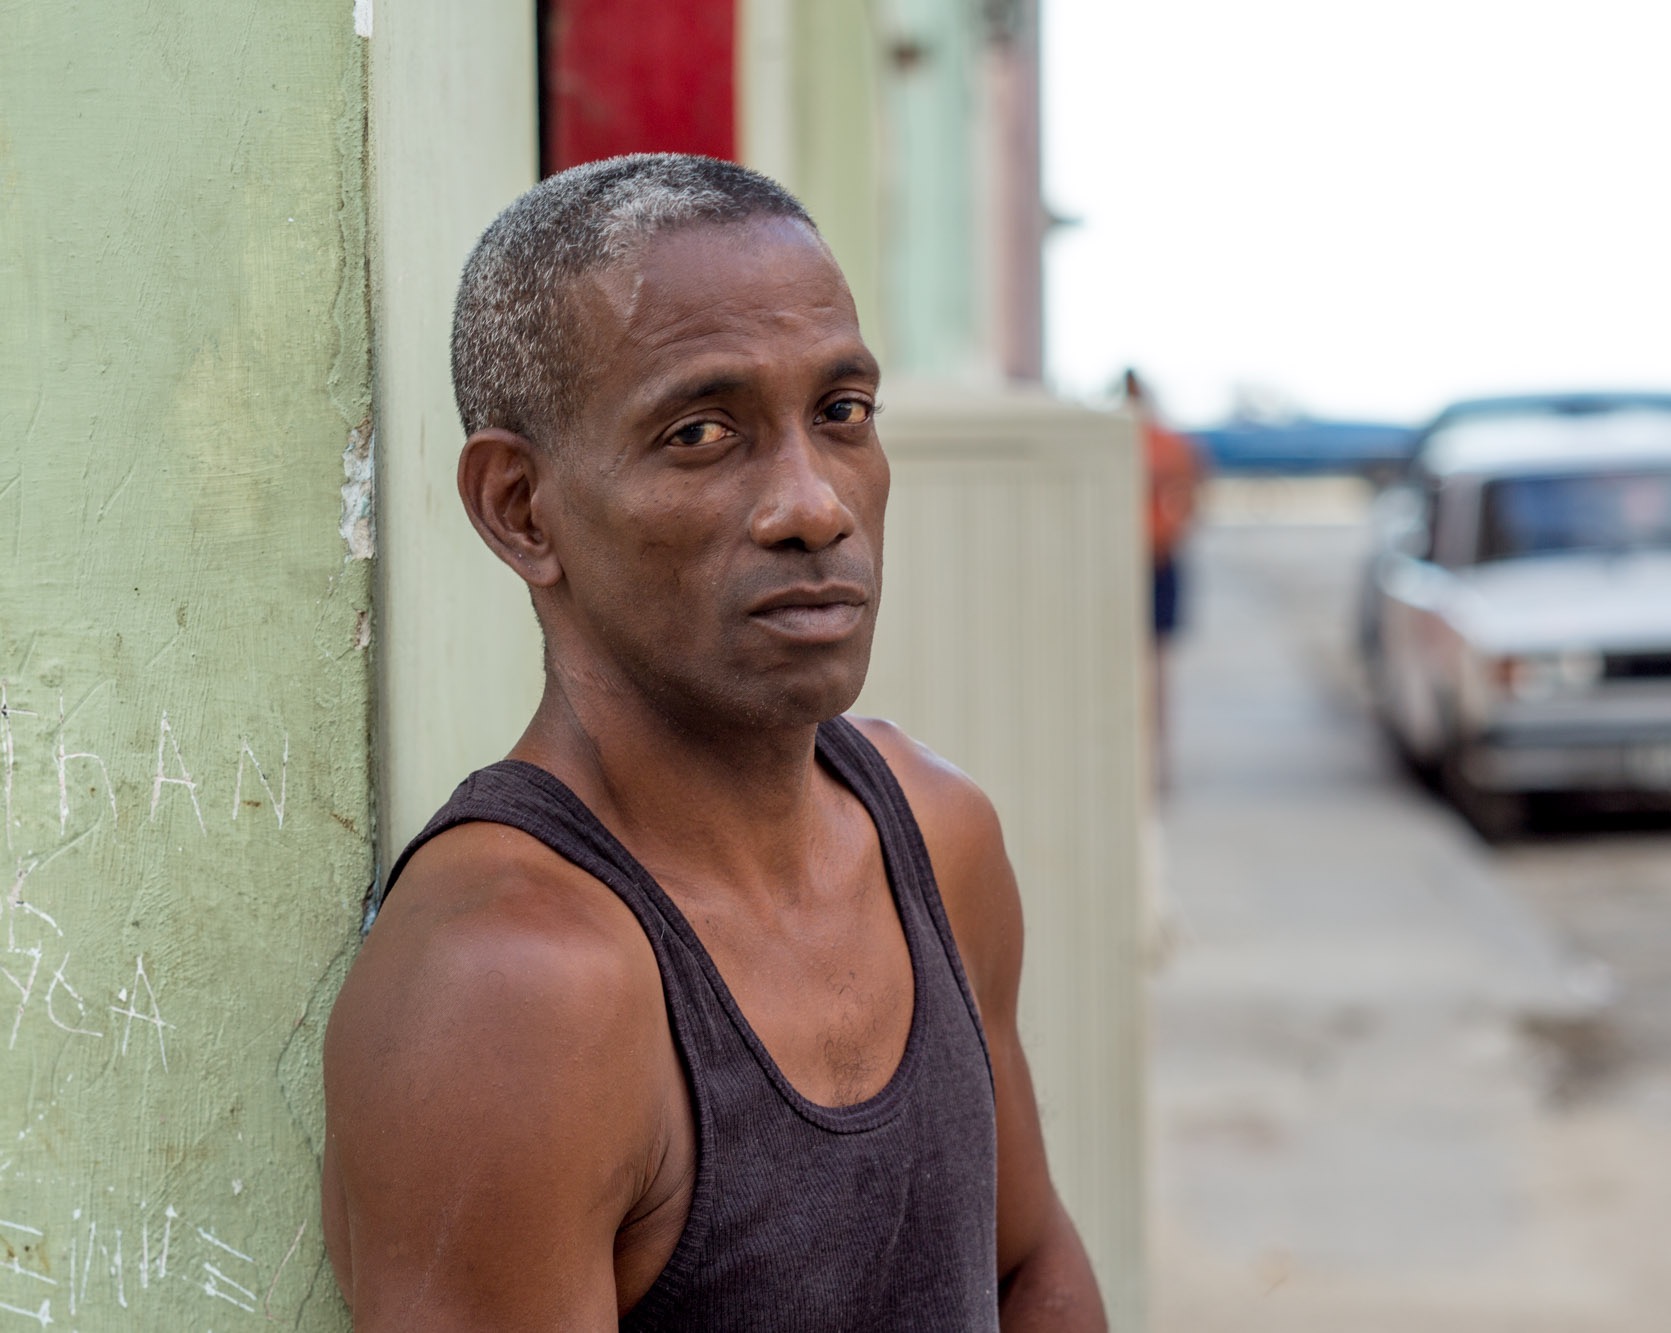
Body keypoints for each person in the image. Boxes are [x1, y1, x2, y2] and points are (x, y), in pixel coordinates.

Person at [319, 154, 1106, 1331]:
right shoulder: (512, 989)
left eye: (841, 414)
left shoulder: (937, 837)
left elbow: (1029, 1265)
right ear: (521, 510)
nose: (813, 505)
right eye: (700, 432)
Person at [1124, 370, 1204, 788]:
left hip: (1155, 560)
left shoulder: (1165, 444)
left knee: (1155, 668)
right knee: (1135, 668)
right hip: (1129, 560)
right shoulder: (1122, 442)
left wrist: (1167, 534)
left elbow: (1192, 493)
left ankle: (1155, 763)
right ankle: (1141, 761)